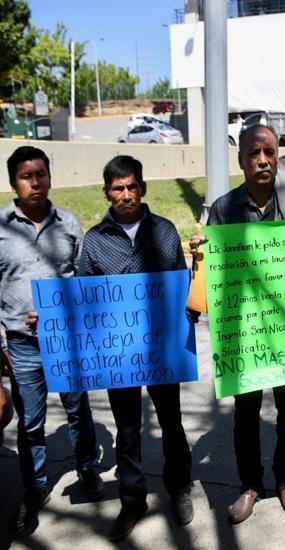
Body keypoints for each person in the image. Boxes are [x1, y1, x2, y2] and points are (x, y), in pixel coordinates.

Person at [189, 122, 285, 524]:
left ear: (277, 156)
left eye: (269, 152)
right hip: (246, 331)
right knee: (246, 410)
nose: (263, 160)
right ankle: (250, 484)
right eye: (254, 153)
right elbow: (210, 277)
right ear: (240, 160)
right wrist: (200, 252)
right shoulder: (224, 209)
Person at [78, 155, 194, 541]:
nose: (125, 194)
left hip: (161, 350)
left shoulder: (163, 231)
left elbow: (180, 284)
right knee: (127, 430)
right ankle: (132, 501)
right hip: (119, 353)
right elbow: (85, 298)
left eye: (131, 186)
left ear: (143, 188)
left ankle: (180, 488)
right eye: (118, 188)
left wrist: (187, 318)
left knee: (171, 423)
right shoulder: (94, 241)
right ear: (106, 192)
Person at [0, 146, 103, 531]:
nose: (36, 182)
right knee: (29, 423)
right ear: (14, 183)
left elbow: (84, 283)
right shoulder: (1, 228)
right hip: (21, 344)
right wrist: (2, 345)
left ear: (49, 177)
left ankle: (88, 469)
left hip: (67, 342)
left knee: (79, 411)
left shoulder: (70, 225)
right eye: (27, 176)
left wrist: (60, 312)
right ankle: (34, 488)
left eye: (41, 174)